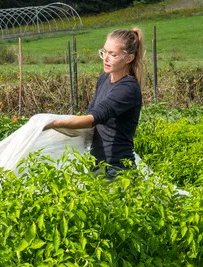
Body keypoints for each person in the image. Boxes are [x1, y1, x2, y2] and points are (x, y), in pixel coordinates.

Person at [44, 28, 145, 181]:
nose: (106, 58)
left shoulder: (127, 89)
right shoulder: (104, 79)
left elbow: (92, 118)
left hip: (117, 169)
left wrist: (50, 123)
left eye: (113, 54)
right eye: (104, 52)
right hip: (97, 164)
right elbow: (90, 116)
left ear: (129, 58)